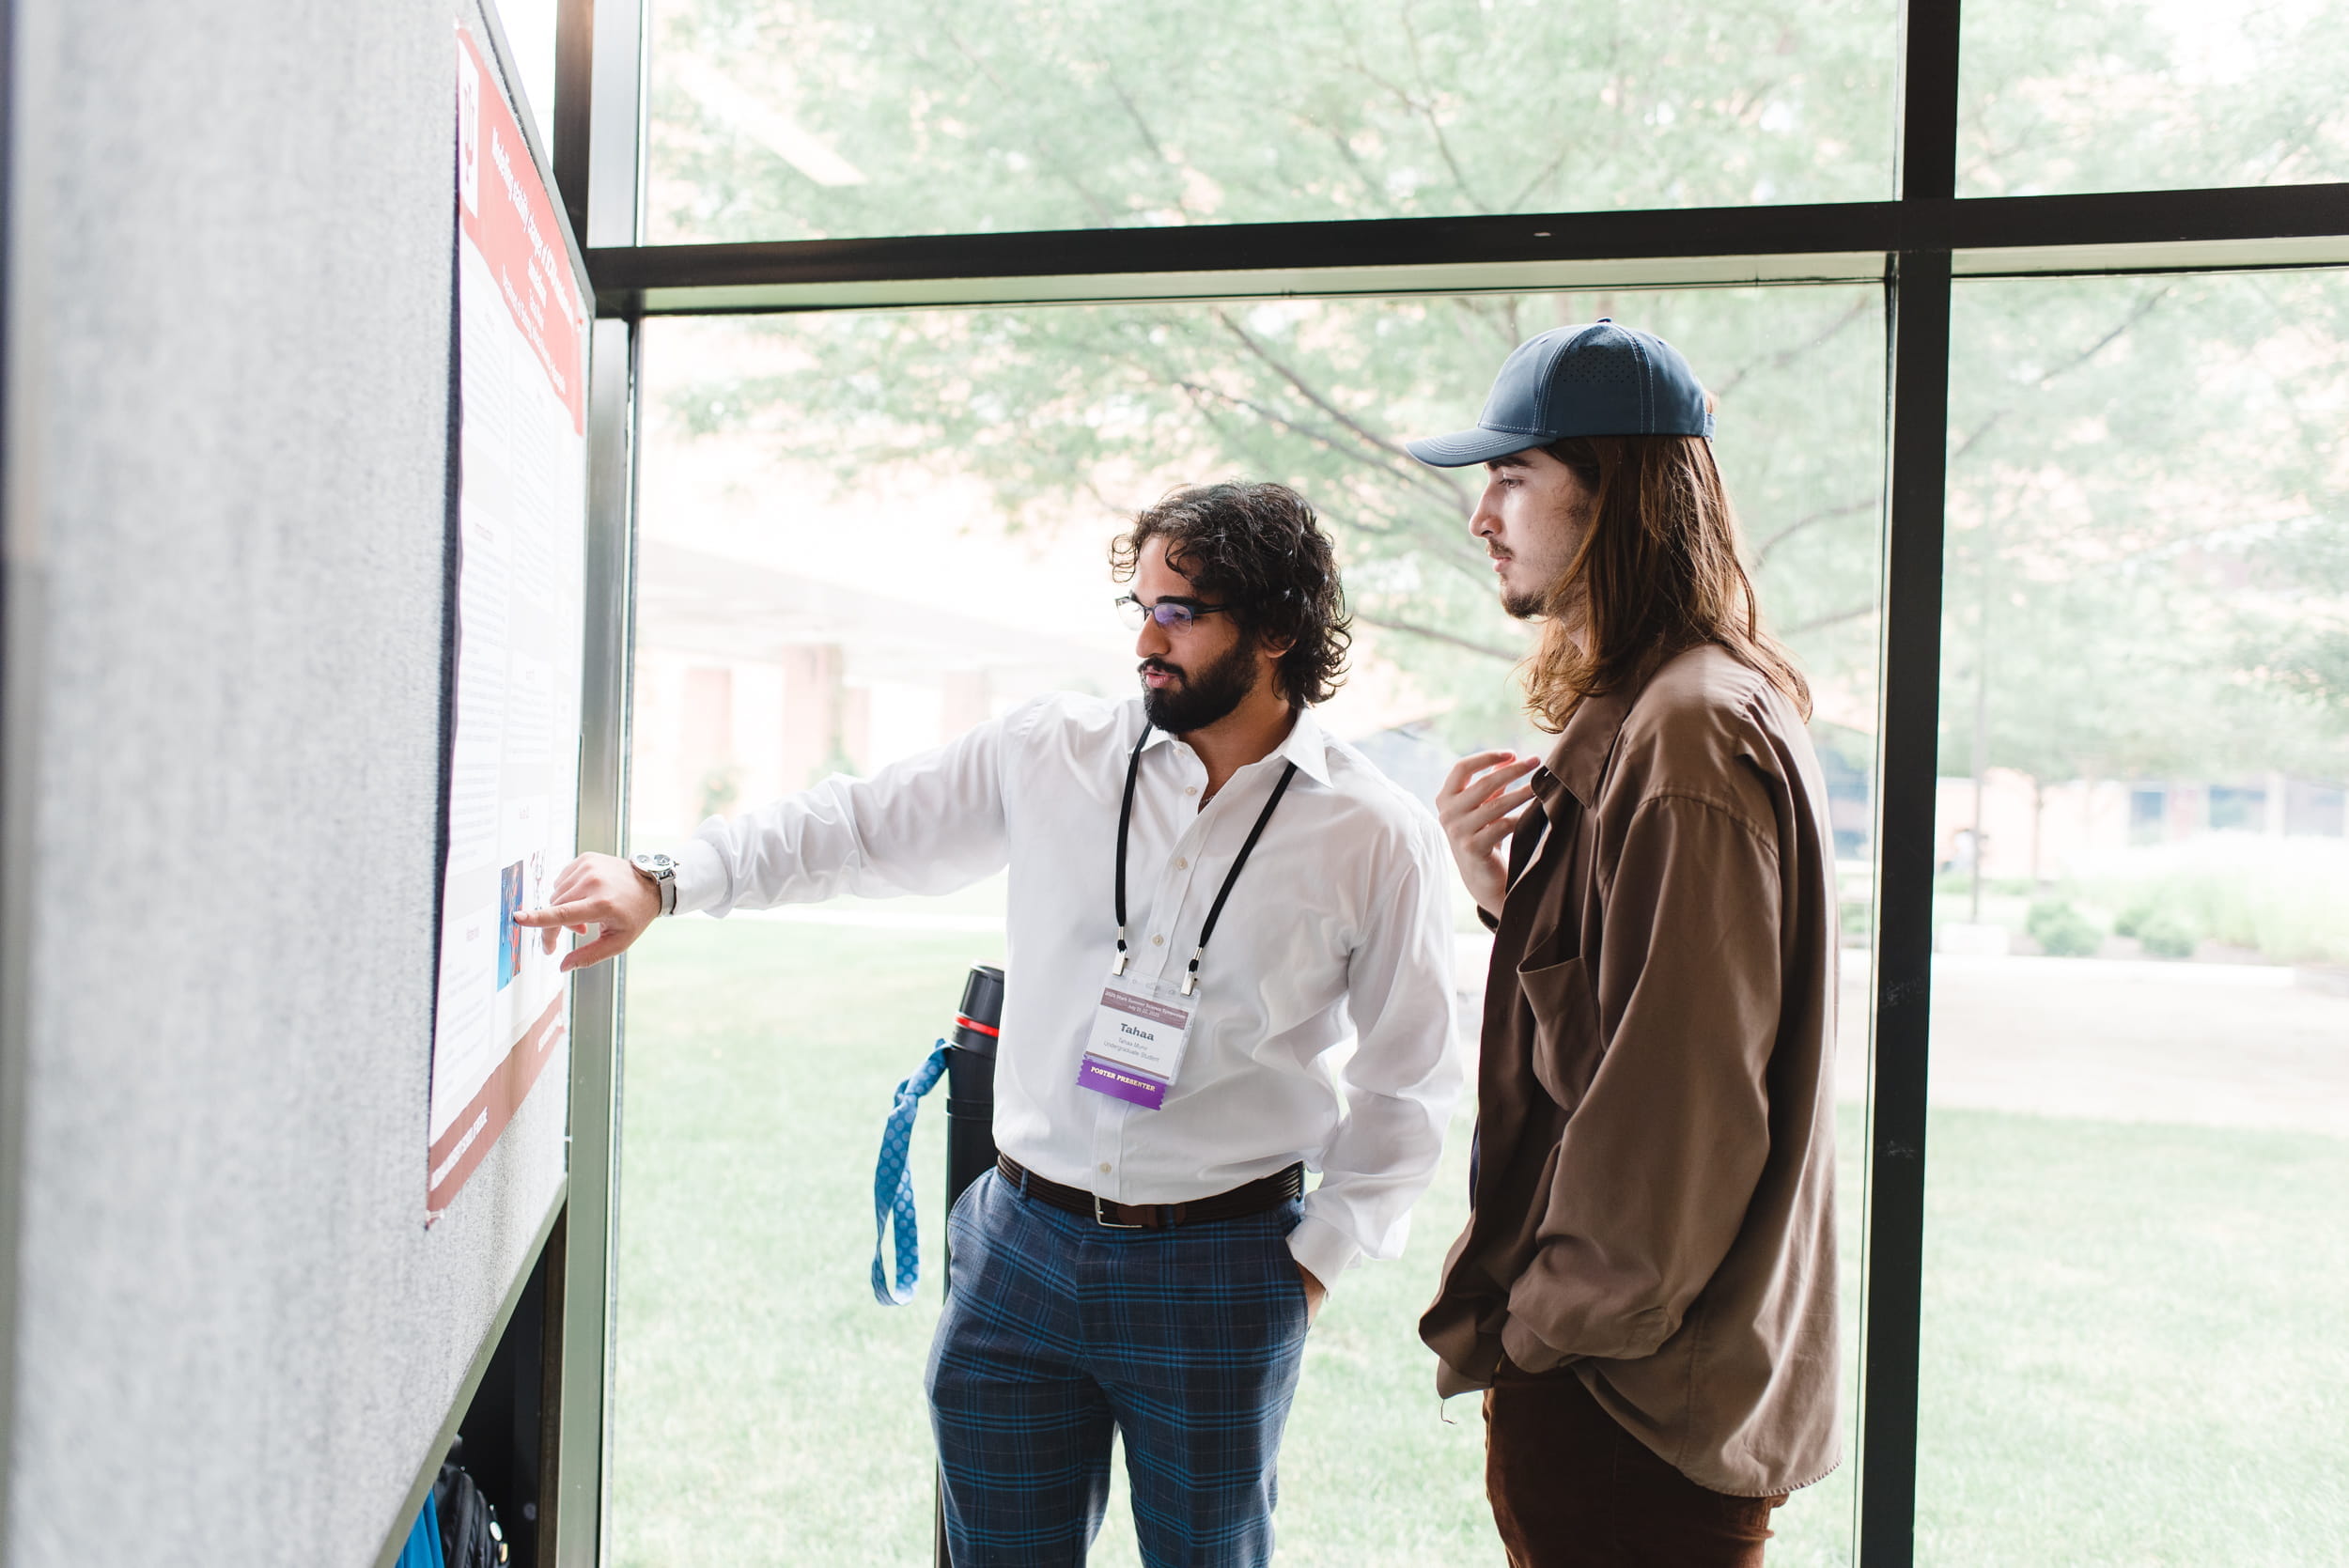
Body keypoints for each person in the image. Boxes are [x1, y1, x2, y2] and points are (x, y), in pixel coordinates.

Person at [520, 481, 1460, 1568]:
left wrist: (1307, 1271)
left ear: (1281, 630)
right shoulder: (1052, 750)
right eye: (1140, 606)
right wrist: (662, 879)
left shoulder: (1372, 833)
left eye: (1181, 613)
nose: (1147, 641)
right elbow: (857, 826)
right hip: (1021, 1252)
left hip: (1221, 1269)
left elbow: (1409, 1086)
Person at [1405, 321, 1842, 1568]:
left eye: (1512, 475)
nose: (1483, 516)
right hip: (1636, 1382)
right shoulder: (1678, 706)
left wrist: (1548, 1332)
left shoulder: (1690, 733)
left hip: (1634, 1399)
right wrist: (1503, 895)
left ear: (1619, 496)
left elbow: (1684, 1103)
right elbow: (1632, 1019)